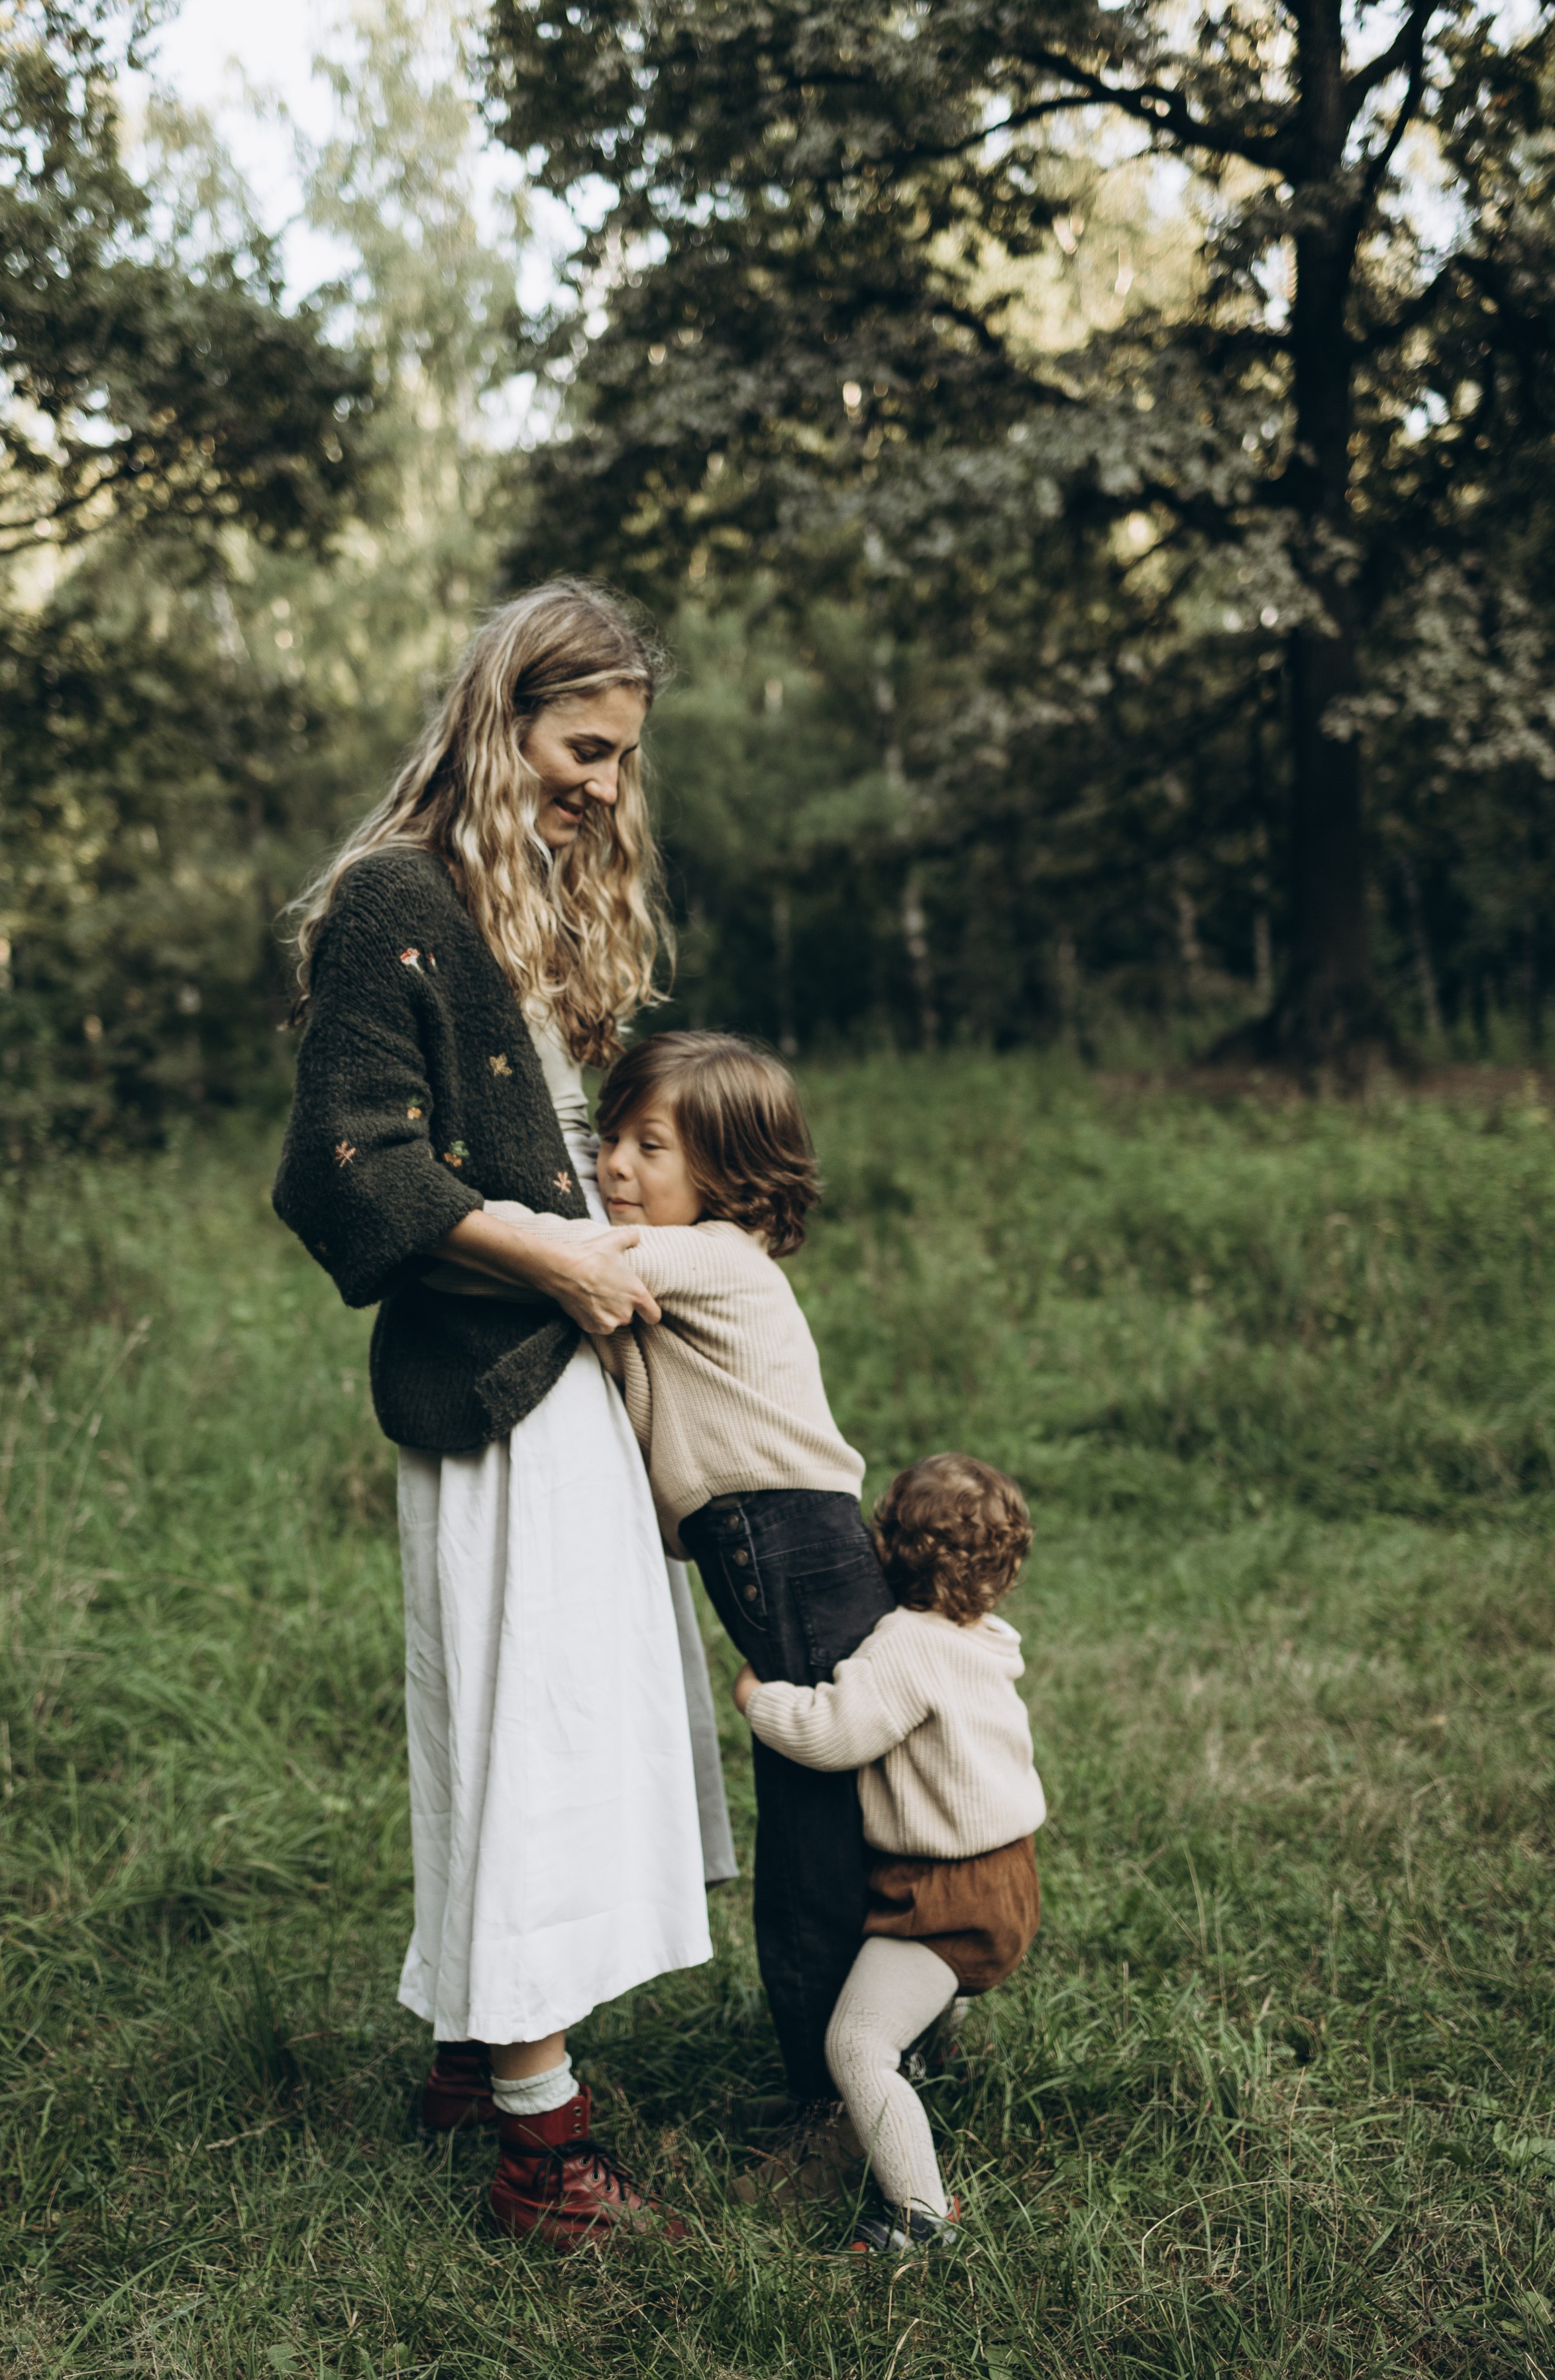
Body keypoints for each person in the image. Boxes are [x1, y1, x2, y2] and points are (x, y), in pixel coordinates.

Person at [272, 582, 734, 2253]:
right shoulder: (400, 896)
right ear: (499, 720)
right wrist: (559, 1255)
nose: (604, 783)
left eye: (622, 756)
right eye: (578, 745)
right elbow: (348, 1169)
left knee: (549, 1716)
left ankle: (481, 2051)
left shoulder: (530, 902)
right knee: (529, 1732)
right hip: (491, 1379)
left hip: (562, 1375)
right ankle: (544, 2143)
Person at [468, 1030, 894, 2189]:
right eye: (606, 1135)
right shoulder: (688, 1254)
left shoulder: (711, 1254)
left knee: (814, 1845)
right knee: (837, 1823)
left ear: (731, 1180)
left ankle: (835, 2108)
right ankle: (886, 2060)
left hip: (797, 1548)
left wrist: (443, 1204)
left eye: (648, 1145)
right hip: (787, 1550)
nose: (612, 1163)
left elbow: (569, 1253)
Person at [733, 1454, 1046, 2255]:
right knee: (898, 2018)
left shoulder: (905, 1645)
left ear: (883, 1545)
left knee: (857, 2046)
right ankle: (934, 2048)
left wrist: (758, 1698)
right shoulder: (986, 1639)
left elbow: (833, 1735)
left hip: (941, 1896)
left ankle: (921, 2217)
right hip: (1008, 1879)